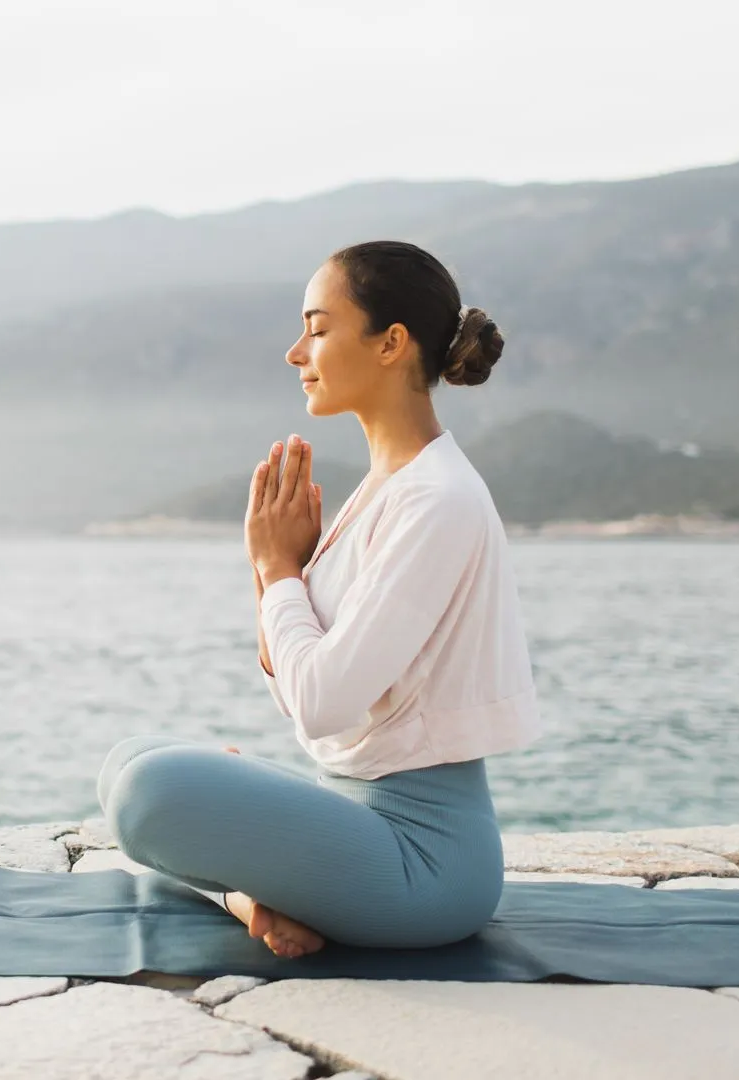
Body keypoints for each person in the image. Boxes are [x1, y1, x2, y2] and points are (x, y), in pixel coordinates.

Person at [95, 240, 544, 958]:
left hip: (424, 866)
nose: (296, 352)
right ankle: (254, 897)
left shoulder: (438, 500)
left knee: (152, 791)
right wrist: (272, 571)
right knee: (129, 760)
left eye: (319, 327)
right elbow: (300, 687)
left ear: (391, 343)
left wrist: (278, 570)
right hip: (350, 807)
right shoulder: (385, 490)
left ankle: (247, 892)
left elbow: (322, 701)